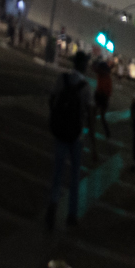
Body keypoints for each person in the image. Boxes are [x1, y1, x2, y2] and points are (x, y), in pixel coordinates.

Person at [45, 51, 97, 229]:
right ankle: (72, 215)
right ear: (84, 66)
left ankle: (52, 206)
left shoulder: (62, 79)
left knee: (57, 172)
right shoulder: (86, 87)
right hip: (76, 136)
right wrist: (94, 145)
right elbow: (90, 117)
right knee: (75, 175)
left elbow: (52, 99)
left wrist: (56, 118)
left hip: (60, 132)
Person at [92, 57, 115, 140]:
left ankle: (93, 128)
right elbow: (109, 92)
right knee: (100, 116)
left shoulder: (102, 75)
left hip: (101, 97)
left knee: (97, 115)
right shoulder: (106, 76)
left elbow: (94, 68)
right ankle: (106, 132)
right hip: (103, 97)